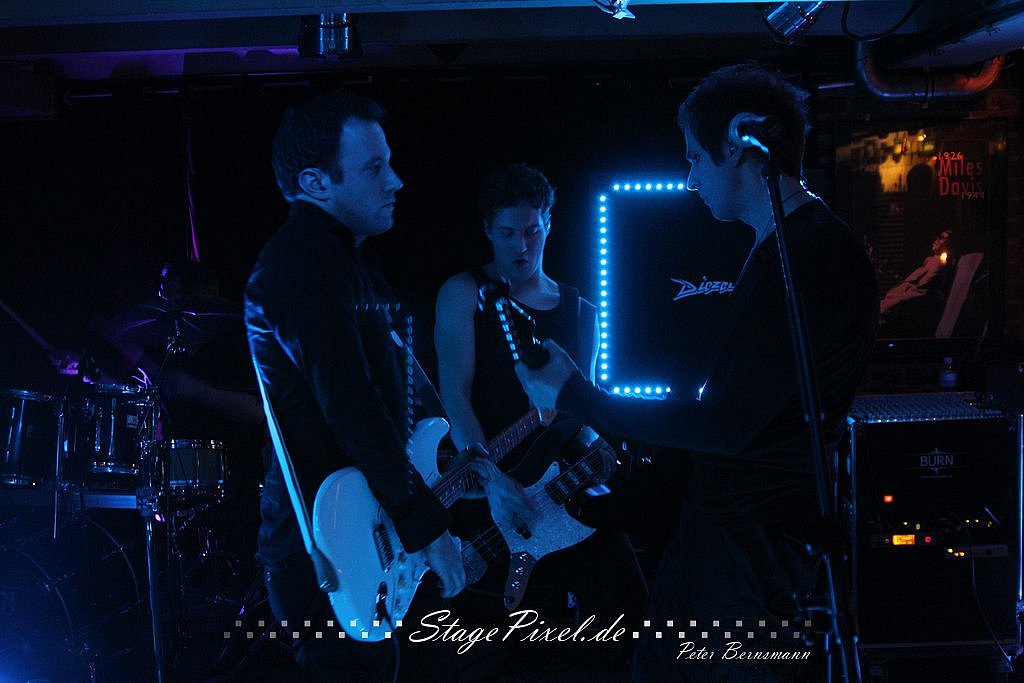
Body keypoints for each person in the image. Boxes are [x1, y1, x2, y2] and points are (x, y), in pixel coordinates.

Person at [515, 63, 879, 681]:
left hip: (754, 548)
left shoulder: (814, 255)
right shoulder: (781, 246)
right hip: (723, 534)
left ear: (739, 143)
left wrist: (578, 395)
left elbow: (730, 424)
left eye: (694, 158)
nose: (690, 178)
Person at [245, 90, 465, 681]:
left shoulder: (345, 264)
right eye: (373, 167)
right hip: (330, 539)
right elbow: (352, 409)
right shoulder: (301, 264)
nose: (396, 180)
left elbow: (386, 408)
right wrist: (427, 526)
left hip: (359, 529)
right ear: (315, 183)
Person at [434, 163, 648, 674]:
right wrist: (492, 480)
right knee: (491, 652)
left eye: (532, 231)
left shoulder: (583, 311)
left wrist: (607, 454)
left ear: (548, 223)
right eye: (508, 233)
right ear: (488, 230)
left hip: (562, 493)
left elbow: (580, 416)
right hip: (488, 490)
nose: (522, 246)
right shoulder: (463, 292)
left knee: (633, 620)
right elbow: (455, 397)